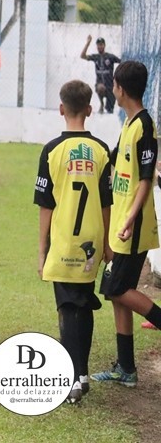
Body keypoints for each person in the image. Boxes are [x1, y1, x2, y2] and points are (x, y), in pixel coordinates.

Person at [34, 79, 112, 404]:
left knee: (67, 307)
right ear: (90, 110)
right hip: (92, 241)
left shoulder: (52, 150)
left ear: (61, 109)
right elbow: (107, 202)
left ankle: (72, 379)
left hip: (65, 241)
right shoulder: (102, 150)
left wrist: (42, 250)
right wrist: (107, 243)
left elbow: (46, 205)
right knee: (84, 302)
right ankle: (82, 373)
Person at [92, 60, 161, 387]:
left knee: (116, 288)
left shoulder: (145, 125)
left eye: (114, 85)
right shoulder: (130, 123)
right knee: (116, 293)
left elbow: (146, 179)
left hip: (132, 227)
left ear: (119, 89)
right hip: (121, 223)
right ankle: (126, 369)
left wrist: (130, 219)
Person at [80, 35, 121, 114]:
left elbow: (121, 62)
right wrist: (88, 43)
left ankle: (108, 105)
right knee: (100, 88)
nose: (100, 46)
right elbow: (82, 56)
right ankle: (101, 103)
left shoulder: (110, 57)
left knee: (110, 110)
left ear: (104, 45)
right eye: (98, 45)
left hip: (111, 87)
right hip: (100, 84)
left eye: (101, 44)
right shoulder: (96, 57)